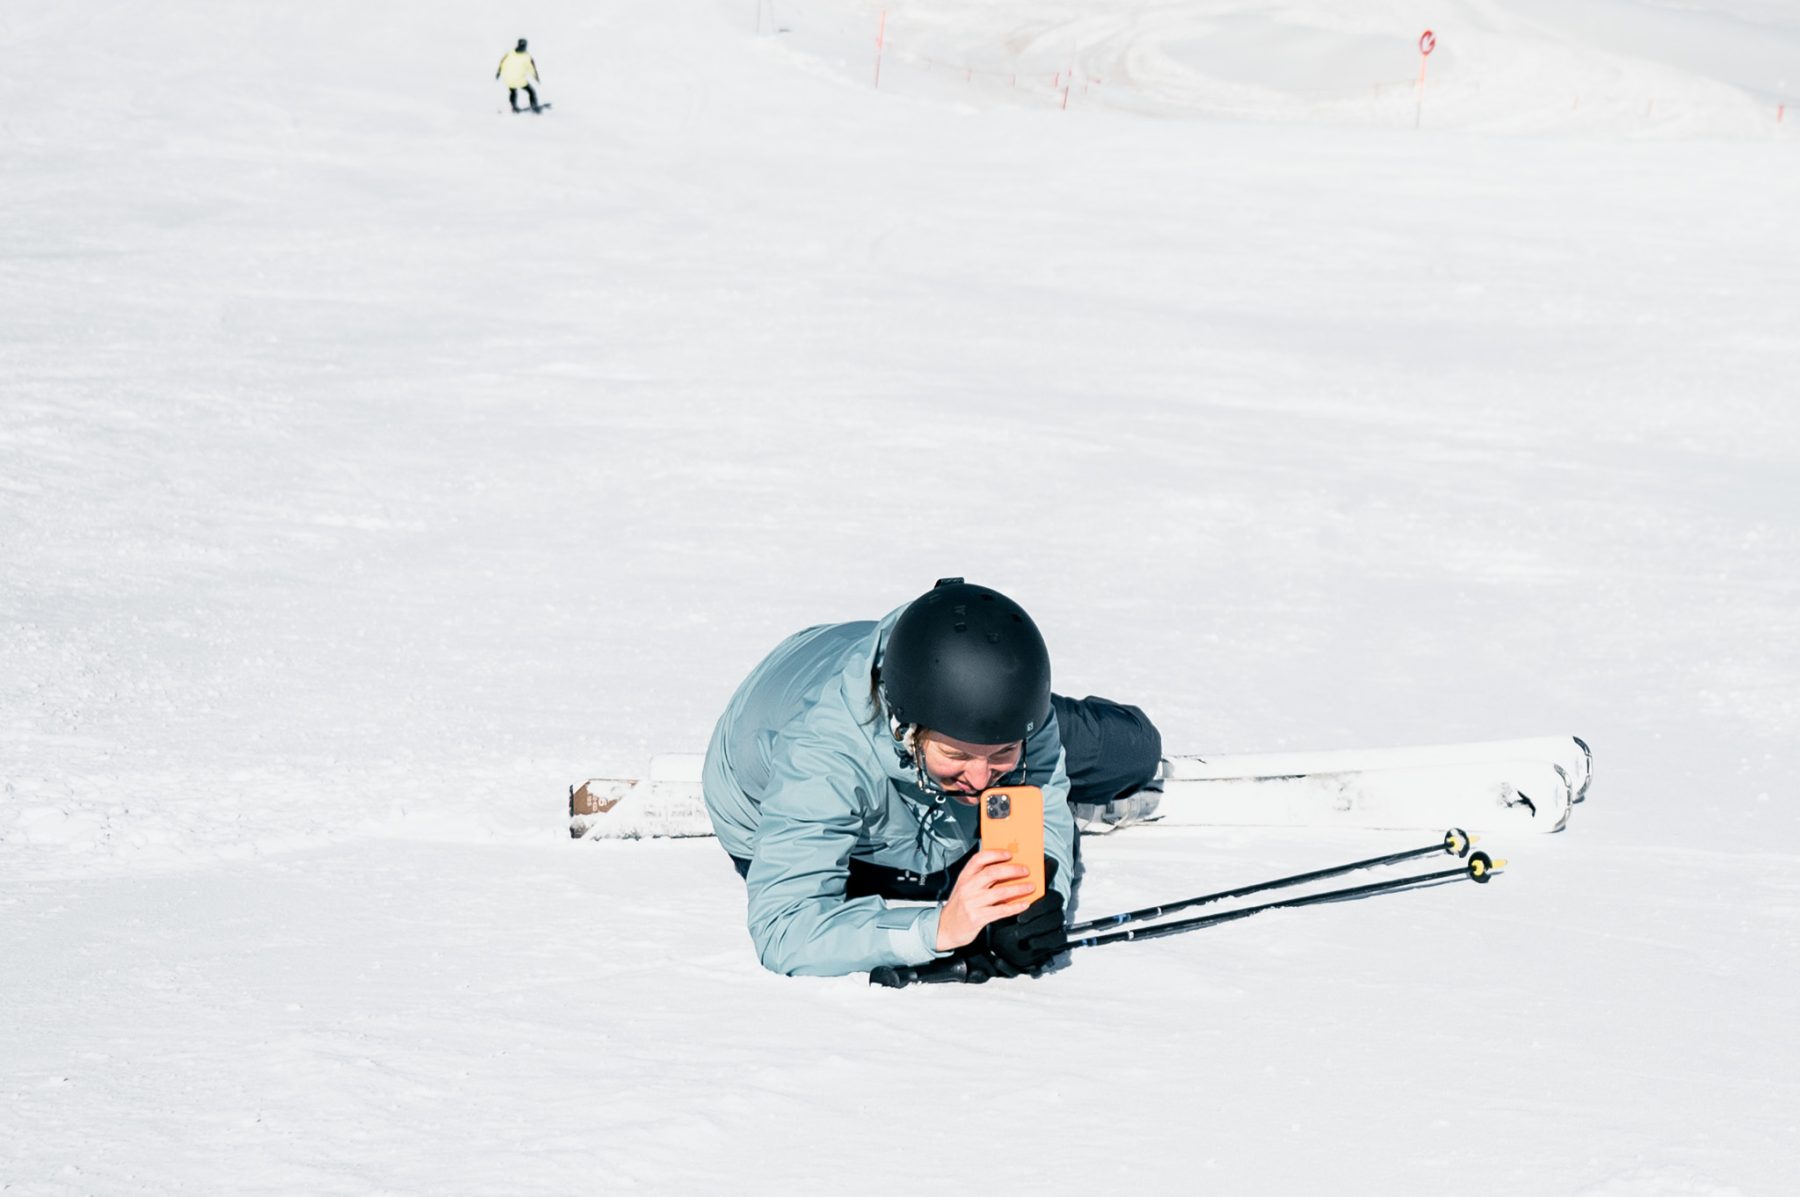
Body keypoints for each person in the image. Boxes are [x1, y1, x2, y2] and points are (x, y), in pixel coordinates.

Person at [702, 578, 1162, 980]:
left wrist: (1037, 900)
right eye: (957, 754)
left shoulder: (1014, 712)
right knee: (919, 896)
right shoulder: (824, 758)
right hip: (809, 750)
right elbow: (786, 929)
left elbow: (1038, 792)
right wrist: (940, 928)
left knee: (1129, 753)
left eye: (1001, 753)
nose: (982, 779)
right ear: (908, 728)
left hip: (945, 686)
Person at [495, 38, 541, 113]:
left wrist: (498, 73)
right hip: (520, 80)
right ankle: (534, 106)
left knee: (513, 91)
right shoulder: (527, 56)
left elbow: (501, 62)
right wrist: (536, 78)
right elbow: (532, 69)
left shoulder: (509, 53)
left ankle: (514, 107)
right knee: (531, 92)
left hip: (508, 79)